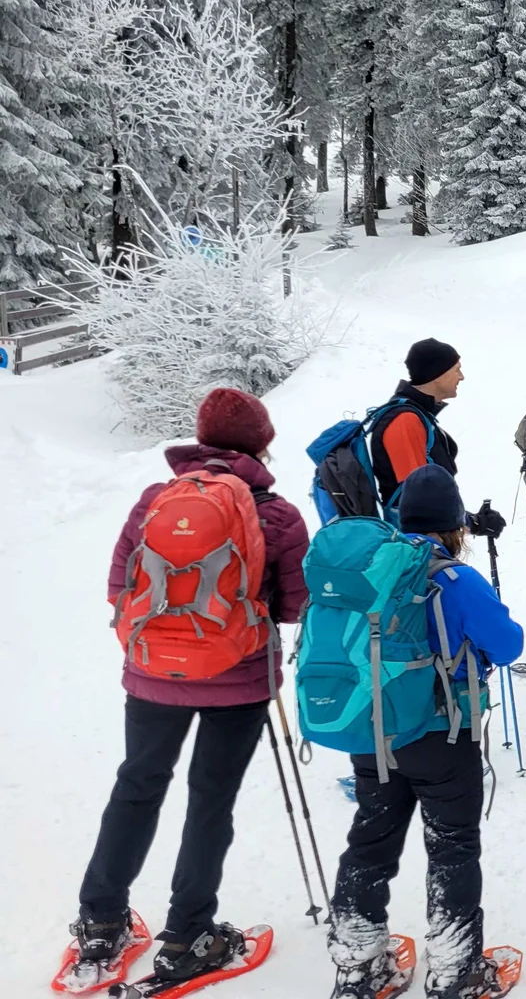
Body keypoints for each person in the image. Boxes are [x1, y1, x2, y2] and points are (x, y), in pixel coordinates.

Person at [67, 389, 310, 988]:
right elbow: (297, 603)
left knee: (137, 787)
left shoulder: (156, 500)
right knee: (210, 801)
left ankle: (99, 923)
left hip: (152, 674)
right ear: (262, 441)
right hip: (239, 678)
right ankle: (187, 935)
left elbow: (119, 587)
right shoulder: (275, 514)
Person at [328, 465, 525, 999]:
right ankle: (454, 973)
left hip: (373, 730)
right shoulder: (454, 578)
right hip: (442, 733)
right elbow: (507, 646)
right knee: (452, 846)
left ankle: (357, 967)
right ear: (453, 525)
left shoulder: (371, 567)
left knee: (370, 839)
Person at [367, 338, 505, 540]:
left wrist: (471, 521)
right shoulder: (405, 420)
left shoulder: (416, 416)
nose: (462, 377)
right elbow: (418, 502)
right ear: (437, 374)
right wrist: (472, 523)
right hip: (414, 547)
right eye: (456, 369)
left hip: (422, 542)